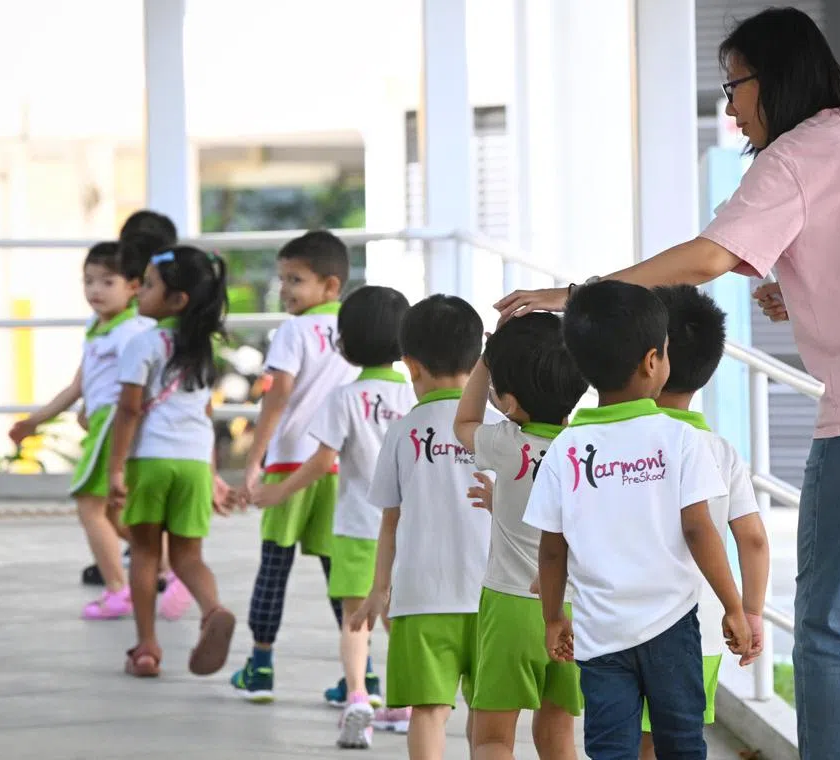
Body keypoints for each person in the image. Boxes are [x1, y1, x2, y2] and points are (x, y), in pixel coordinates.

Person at [496, 8, 840, 760]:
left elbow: (708, 257)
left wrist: (582, 294)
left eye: (733, 86)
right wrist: (799, 287)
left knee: (824, 626)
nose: (730, 108)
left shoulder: (794, 156)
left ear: (773, 78)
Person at [522, 281, 752, 760]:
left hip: (599, 633)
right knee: (681, 744)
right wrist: (734, 606)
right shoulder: (679, 440)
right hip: (672, 626)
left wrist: (552, 617)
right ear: (653, 362)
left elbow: (552, 549)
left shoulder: (564, 450)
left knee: (610, 749)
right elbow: (699, 530)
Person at [251, 285, 415, 749]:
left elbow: (323, 461)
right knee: (398, 615)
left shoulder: (344, 397)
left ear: (344, 345)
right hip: (406, 529)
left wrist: (278, 490)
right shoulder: (413, 398)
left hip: (356, 525)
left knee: (354, 617)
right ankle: (404, 702)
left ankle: (358, 696)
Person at [228, 230, 377, 704]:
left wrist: (255, 459)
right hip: (337, 466)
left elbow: (277, 397)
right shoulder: (354, 329)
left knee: (274, 567)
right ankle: (363, 674)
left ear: (330, 285)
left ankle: (260, 666)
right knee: (342, 575)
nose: (285, 289)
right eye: (282, 279)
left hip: (290, 461)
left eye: (295, 279)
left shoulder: (292, 332)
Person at [351, 294, 502, 760]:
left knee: (428, 711)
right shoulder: (500, 427)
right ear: (477, 361)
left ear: (411, 366)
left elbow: (389, 521)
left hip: (421, 598)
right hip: (494, 596)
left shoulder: (403, 431)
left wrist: (379, 589)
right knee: (488, 715)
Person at [638, 285, 770, 760]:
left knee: (637, 743)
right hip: (705, 628)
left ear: (648, 359)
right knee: (680, 741)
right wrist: (750, 613)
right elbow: (753, 539)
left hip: (628, 627)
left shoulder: (618, 444)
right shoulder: (721, 452)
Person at [452, 312, 589, 760]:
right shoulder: (585, 451)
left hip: (510, 606)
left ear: (508, 401)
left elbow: (464, 421)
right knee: (558, 734)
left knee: (492, 738)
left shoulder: (507, 443)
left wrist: (486, 358)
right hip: (574, 609)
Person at [107, 246, 236, 678]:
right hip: (195, 463)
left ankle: (147, 648)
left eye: (149, 285)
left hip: (151, 460)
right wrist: (212, 474)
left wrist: (115, 468)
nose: (139, 291)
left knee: (145, 553)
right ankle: (213, 609)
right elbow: (205, 414)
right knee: (189, 557)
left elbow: (129, 410)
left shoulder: (142, 343)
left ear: (178, 300)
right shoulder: (204, 350)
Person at [9, 241, 151, 619]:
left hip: (114, 424)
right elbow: (80, 384)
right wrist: (35, 420)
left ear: (134, 286)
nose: (95, 290)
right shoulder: (97, 327)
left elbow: (139, 387)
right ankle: (168, 570)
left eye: (107, 281)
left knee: (90, 506)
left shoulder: (132, 332)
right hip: (104, 422)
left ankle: (118, 590)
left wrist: (116, 420)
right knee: (116, 514)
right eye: (88, 281)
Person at [80, 209, 177, 591]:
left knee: (104, 502)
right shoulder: (126, 318)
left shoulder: (134, 326)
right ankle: (155, 565)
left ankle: (141, 573)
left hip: (128, 416)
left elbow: (132, 387)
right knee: (119, 503)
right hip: (138, 417)